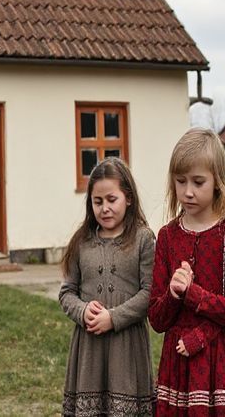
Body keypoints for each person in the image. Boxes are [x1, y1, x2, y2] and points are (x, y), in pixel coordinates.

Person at [148, 128, 225, 416]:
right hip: (177, 364)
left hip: (219, 362)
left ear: (218, 182)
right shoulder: (168, 237)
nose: (188, 191)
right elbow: (157, 320)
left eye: (198, 182)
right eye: (180, 181)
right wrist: (173, 293)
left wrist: (193, 295)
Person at [59, 157, 156, 416]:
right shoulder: (81, 242)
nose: (105, 208)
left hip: (127, 347)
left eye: (111, 200)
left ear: (129, 198)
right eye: (97, 202)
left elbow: (150, 292)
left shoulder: (143, 239)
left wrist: (113, 318)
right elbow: (67, 292)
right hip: (89, 350)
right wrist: (82, 311)